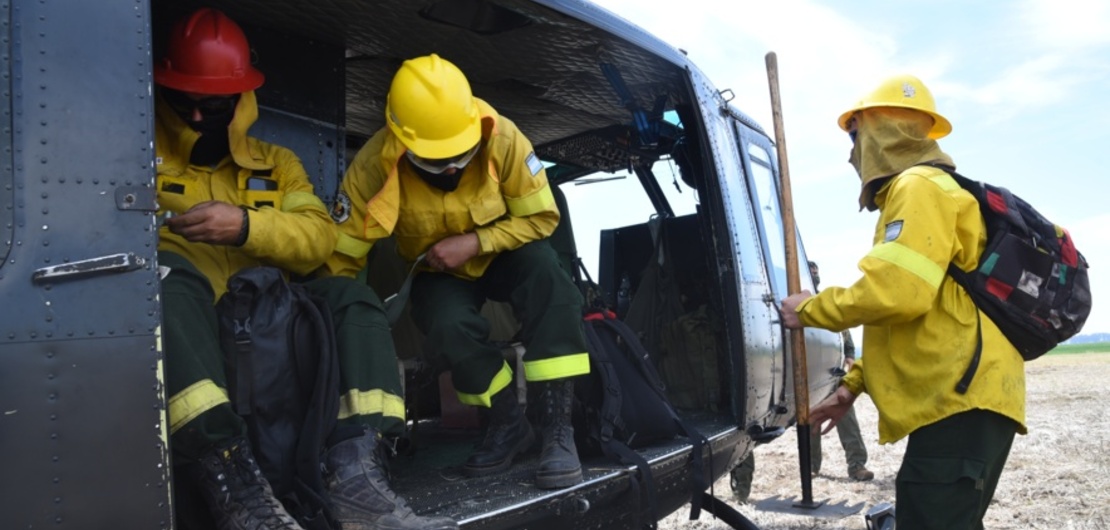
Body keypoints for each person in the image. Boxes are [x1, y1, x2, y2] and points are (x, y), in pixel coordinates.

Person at [154, 9, 456, 530]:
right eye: (186, 103)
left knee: (349, 295)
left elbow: (318, 239)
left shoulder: (277, 164)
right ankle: (231, 479)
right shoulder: (138, 161)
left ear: (241, 99)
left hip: (272, 330)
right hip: (195, 331)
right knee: (163, 276)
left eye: (215, 104)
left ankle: (356, 475)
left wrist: (246, 226)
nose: (200, 117)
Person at [322, 54, 590, 490]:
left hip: (505, 250)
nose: (450, 169)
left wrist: (477, 242)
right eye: (436, 159)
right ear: (401, 142)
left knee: (551, 282)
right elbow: (343, 256)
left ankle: (559, 430)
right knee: (446, 326)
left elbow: (541, 219)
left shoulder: (503, 137)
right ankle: (508, 422)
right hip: (438, 270)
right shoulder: (372, 167)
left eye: (461, 156)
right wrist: (342, 322)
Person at [783, 74, 1026, 529]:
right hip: (966, 399)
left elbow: (896, 295)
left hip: (960, 400)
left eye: (855, 135)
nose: (852, 153)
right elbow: (911, 316)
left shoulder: (918, 188)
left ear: (883, 130)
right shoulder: (929, 189)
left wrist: (808, 310)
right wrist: (850, 388)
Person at [806, 260, 874, 482]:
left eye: (816, 272)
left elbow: (844, 332)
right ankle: (811, 467)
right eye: (811, 272)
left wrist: (850, 355)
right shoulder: (800, 304)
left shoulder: (824, 303)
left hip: (833, 372)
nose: (815, 276)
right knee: (812, 419)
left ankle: (857, 465)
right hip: (810, 374)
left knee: (846, 416)